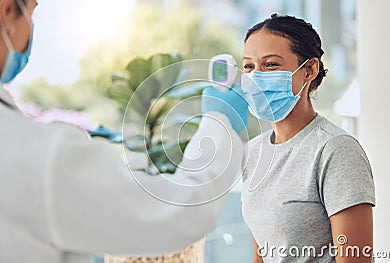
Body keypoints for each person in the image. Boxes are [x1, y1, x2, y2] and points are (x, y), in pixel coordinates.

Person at [0, 0, 249, 262]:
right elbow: (179, 212)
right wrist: (221, 124)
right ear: (7, 10)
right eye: (32, 11)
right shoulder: (39, 158)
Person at [240, 14, 375, 262]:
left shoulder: (335, 150)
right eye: (249, 66)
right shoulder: (253, 153)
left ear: (309, 70)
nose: (256, 77)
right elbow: (263, 254)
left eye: (270, 65)